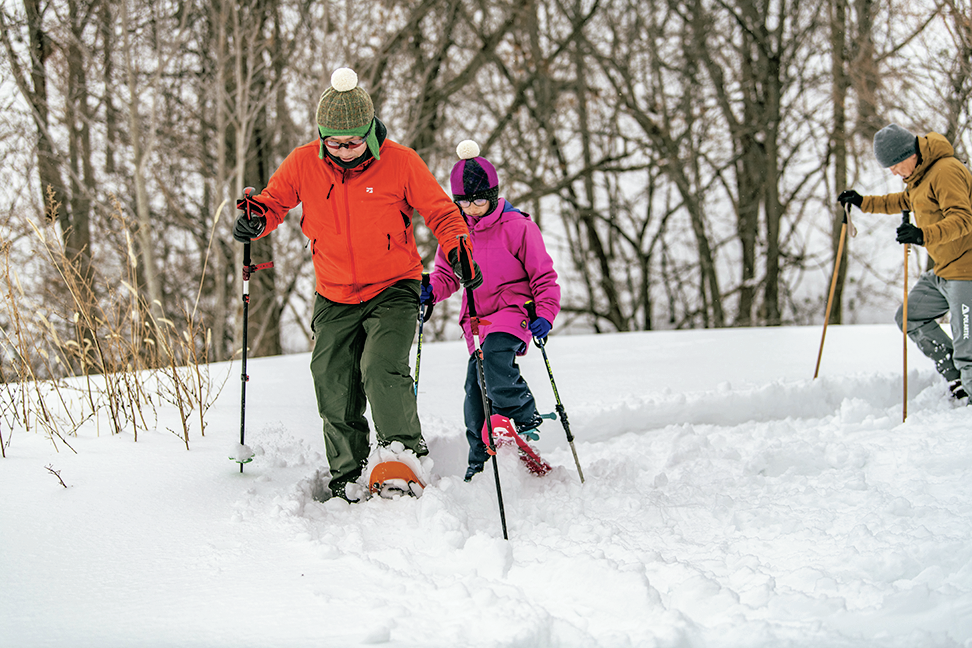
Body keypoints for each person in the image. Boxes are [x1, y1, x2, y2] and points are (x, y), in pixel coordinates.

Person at [232, 68, 480, 501]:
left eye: (353, 141)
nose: (344, 150)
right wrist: (257, 217)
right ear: (322, 135)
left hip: (393, 287)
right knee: (331, 376)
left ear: (370, 132)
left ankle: (403, 455)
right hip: (334, 292)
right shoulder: (304, 162)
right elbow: (274, 200)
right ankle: (348, 471)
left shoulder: (401, 162)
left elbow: (441, 211)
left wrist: (458, 247)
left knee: (380, 366)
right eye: (334, 141)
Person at [423, 140, 561, 481]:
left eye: (479, 199)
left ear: (494, 194)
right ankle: (479, 457)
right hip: (475, 322)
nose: (472, 208)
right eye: (464, 202)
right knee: (475, 391)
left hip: (515, 312)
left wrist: (545, 314)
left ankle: (522, 415)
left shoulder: (518, 227)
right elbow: (446, 276)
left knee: (498, 358)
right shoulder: (453, 233)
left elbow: (543, 276)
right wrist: (428, 291)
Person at [838, 123, 972, 402]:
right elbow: (902, 201)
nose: (894, 172)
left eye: (895, 165)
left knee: (967, 348)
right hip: (945, 269)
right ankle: (956, 377)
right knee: (910, 317)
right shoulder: (921, 176)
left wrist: (923, 234)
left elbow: (963, 218)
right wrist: (863, 202)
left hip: (966, 269)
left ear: (909, 154)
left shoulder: (945, 171)